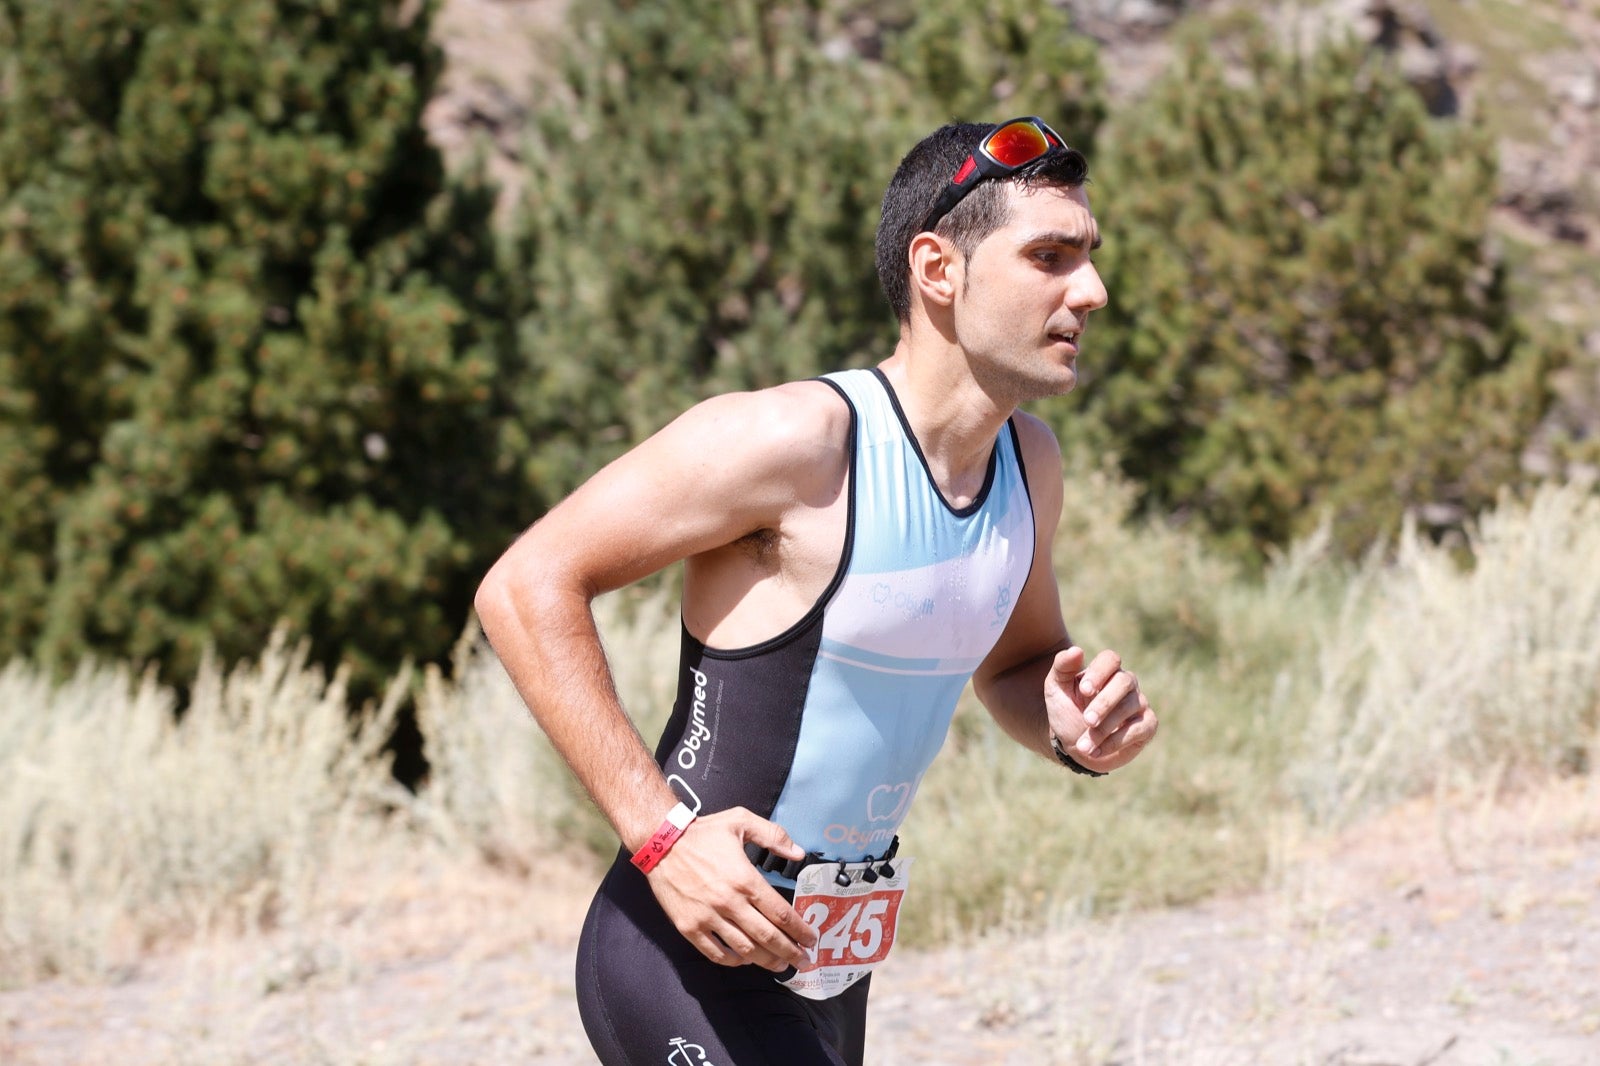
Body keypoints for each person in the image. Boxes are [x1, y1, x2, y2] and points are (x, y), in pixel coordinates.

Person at [474, 116, 1158, 1066]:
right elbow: (524, 586)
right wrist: (660, 838)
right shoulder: (796, 442)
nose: (1092, 289)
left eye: (1089, 256)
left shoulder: (1027, 465)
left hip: (828, 961)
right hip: (685, 945)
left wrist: (1071, 723)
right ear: (938, 269)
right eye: (1050, 256)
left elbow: (1016, 664)